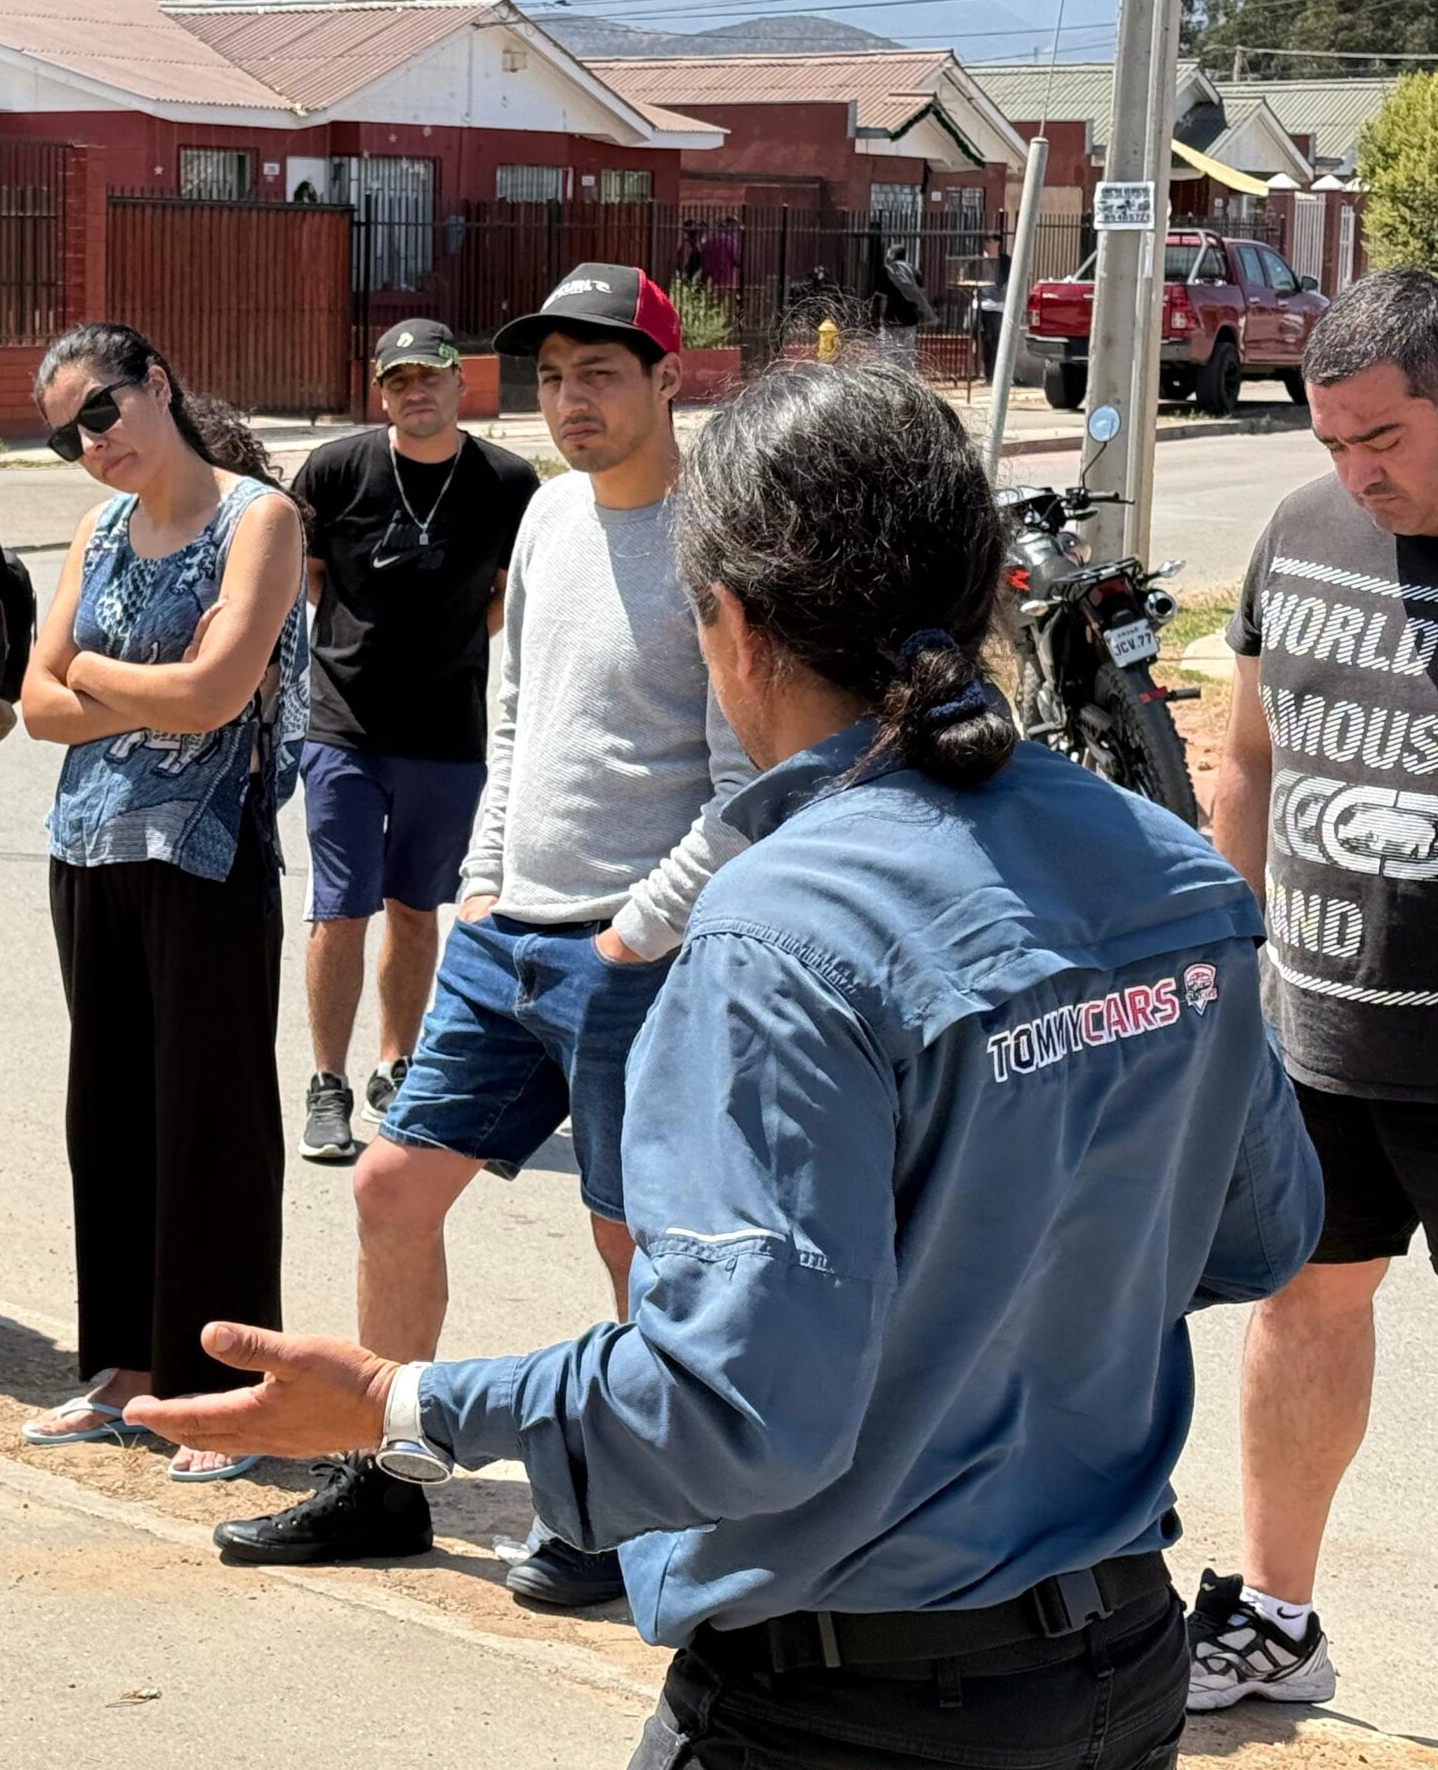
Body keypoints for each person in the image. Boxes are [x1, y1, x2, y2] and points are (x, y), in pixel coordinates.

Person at [133, 357, 1325, 1770]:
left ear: (734, 624)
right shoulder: (1169, 870)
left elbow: (737, 1415)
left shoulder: (782, 927)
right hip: (1116, 1673)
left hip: (852, 1704)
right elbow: (1259, 1234)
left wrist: (402, 1401)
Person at [211, 264, 750, 1608]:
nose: (572, 402)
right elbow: (514, 717)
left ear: (668, 380)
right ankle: (388, 1482)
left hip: (645, 958)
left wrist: (637, 930)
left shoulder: (721, 544)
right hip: (509, 939)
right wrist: (488, 885)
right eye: (555, 379)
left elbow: (751, 788)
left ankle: (634, 1516)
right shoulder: (553, 517)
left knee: (639, 1254)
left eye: (602, 375)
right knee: (389, 1188)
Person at [1192, 268, 1438, 1767]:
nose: (1355, 473)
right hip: (1313, 1034)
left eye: (1382, 438)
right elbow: (1251, 759)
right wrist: (1221, 962)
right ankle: (1275, 1618)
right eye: (1332, 442)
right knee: (1302, 1303)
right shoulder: (1307, 531)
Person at [19, 321, 308, 1482]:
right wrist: (126, 686)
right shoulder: (95, 530)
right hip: (88, 851)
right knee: (112, 1117)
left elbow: (215, 692)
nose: (90, 445)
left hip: (205, 857)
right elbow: (34, 706)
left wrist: (91, 671)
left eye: (101, 411)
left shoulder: (259, 520)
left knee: (214, 1125)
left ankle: (227, 1388)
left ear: (158, 385)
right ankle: (131, 1371)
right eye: (63, 436)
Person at [290, 319, 535, 1163]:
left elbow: (509, 592)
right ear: (381, 391)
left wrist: (463, 643)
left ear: (458, 383)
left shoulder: (506, 480)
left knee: (416, 907)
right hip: (344, 729)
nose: (413, 392)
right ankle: (328, 1083)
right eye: (397, 381)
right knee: (341, 905)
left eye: (428, 377)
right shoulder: (335, 469)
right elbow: (309, 581)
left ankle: (398, 1065)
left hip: (446, 735)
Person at [879, 237, 930, 370]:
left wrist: (880, 316)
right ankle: (905, 384)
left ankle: (890, 382)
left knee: (888, 354)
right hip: (909, 319)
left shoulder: (887, 272)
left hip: (891, 318)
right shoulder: (915, 272)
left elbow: (883, 297)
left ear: (892, 255)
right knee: (907, 354)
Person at [974, 232, 1013, 386]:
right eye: (985, 240)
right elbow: (965, 274)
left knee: (996, 341)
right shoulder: (978, 260)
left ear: (998, 243)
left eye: (990, 241)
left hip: (998, 306)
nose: (987, 243)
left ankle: (996, 374)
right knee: (982, 340)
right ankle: (985, 373)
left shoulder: (1004, 260)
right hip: (980, 305)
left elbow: (1001, 280)